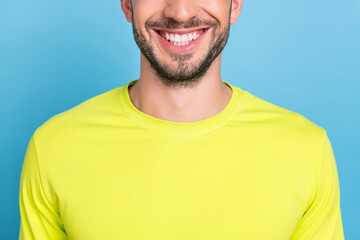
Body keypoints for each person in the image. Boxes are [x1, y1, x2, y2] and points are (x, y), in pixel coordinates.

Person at [19, 0, 345, 239]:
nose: (180, 12)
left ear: (235, 5)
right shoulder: (53, 148)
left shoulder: (306, 151)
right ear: (127, 5)